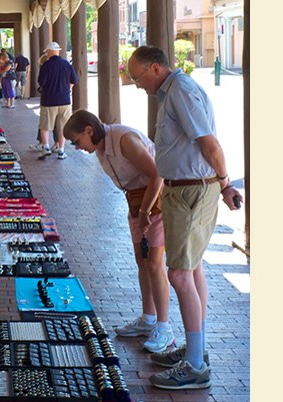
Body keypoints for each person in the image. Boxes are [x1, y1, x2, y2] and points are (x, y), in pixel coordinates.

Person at [128, 45, 243, 390]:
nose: (135, 84)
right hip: (181, 190)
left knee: (178, 274)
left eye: (136, 77)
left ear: (154, 69)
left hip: (194, 189)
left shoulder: (182, 90)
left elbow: (210, 145)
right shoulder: (170, 92)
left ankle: (195, 366)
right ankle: (196, 350)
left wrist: (225, 185)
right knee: (191, 269)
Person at [63, 109, 174, 353]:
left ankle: (165, 328)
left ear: (89, 130)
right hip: (137, 202)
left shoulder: (124, 139)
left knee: (155, 263)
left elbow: (157, 174)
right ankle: (148, 318)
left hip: (155, 202)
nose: (76, 146)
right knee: (142, 261)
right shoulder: (101, 147)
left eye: (77, 141)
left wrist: (145, 211)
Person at [37, 41, 78, 160]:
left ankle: (46, 147)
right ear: (58, 51)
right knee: (62, 126)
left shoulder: (46, 65)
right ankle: (61, 150)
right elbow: (74, 80)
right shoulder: (66, 64)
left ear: (48, 52)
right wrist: (67, 89)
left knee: (45, 126)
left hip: (48, 101)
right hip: (65, 100)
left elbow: (41, 82)